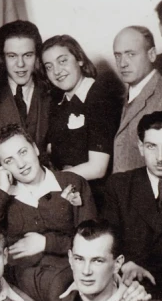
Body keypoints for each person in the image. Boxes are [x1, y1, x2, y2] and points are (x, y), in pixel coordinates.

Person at [0, 123, 98, 301]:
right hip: (22, 276)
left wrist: (45, 243)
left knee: (63, 291)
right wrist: (2, 190)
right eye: (9, 161)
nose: (20, 164)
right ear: (1, 168)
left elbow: (93, 239)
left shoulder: (71, 182)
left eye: (23, 152)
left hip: (70, 268)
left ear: (35, 148)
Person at [103, 110, 162, 301]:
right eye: (151, 147)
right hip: (130, 282)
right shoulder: (119, 185)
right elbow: (109, 237)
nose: (160, 158)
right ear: (140, 147)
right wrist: (127, 263)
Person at [40, 34, 120, 205]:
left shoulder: (100, 97)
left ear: (80, 60)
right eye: (49, 66)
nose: (56, 71)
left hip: (97, 198)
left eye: (62, 61)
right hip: (69, 193)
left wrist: (50, 180)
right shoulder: (60, 103)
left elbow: (98, 168)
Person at [111, 25, 162, 173]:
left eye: (130, 54)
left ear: (152, 54)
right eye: (118, 56)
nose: (122, 63)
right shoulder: (124, 95)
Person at [0, 20, 52, 153]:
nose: (20, 64)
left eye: (28, 55)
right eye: (12, 56)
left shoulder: (52, 91)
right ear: (2, 58)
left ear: (37, 57)